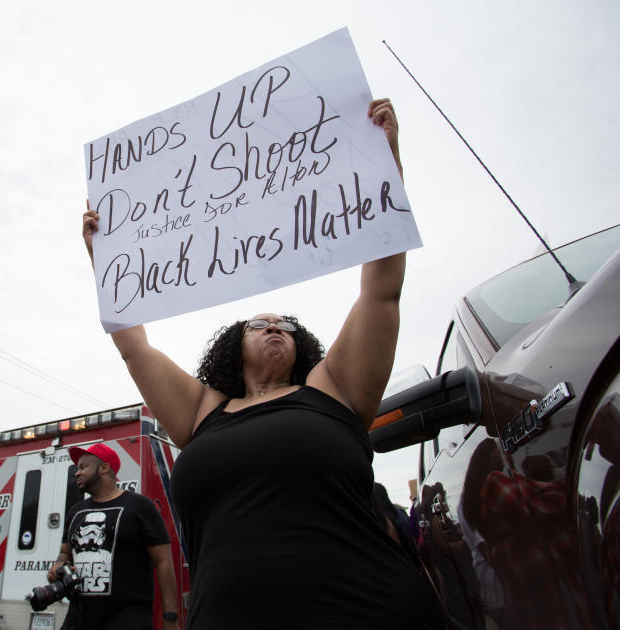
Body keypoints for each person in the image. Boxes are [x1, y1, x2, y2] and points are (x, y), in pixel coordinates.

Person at [81, 99, 444, 628]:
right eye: (260, 323)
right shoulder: (200, 410)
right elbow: (133, 344)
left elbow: (382, 289)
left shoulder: (334, 388)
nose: (275, 327)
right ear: (234, 346)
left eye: (286, 325)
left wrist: (386, 164)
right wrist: (106, 257)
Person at [46, 443, 179, 630]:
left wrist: (170, 617)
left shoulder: (140, 507)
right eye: (77, 468)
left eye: (83, 467)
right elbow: (65, 552)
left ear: (104, 468)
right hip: (79, 618)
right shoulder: (76, 511)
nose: (77, 473)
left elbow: (163, 562)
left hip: (127, 619)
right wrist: (59, 565)